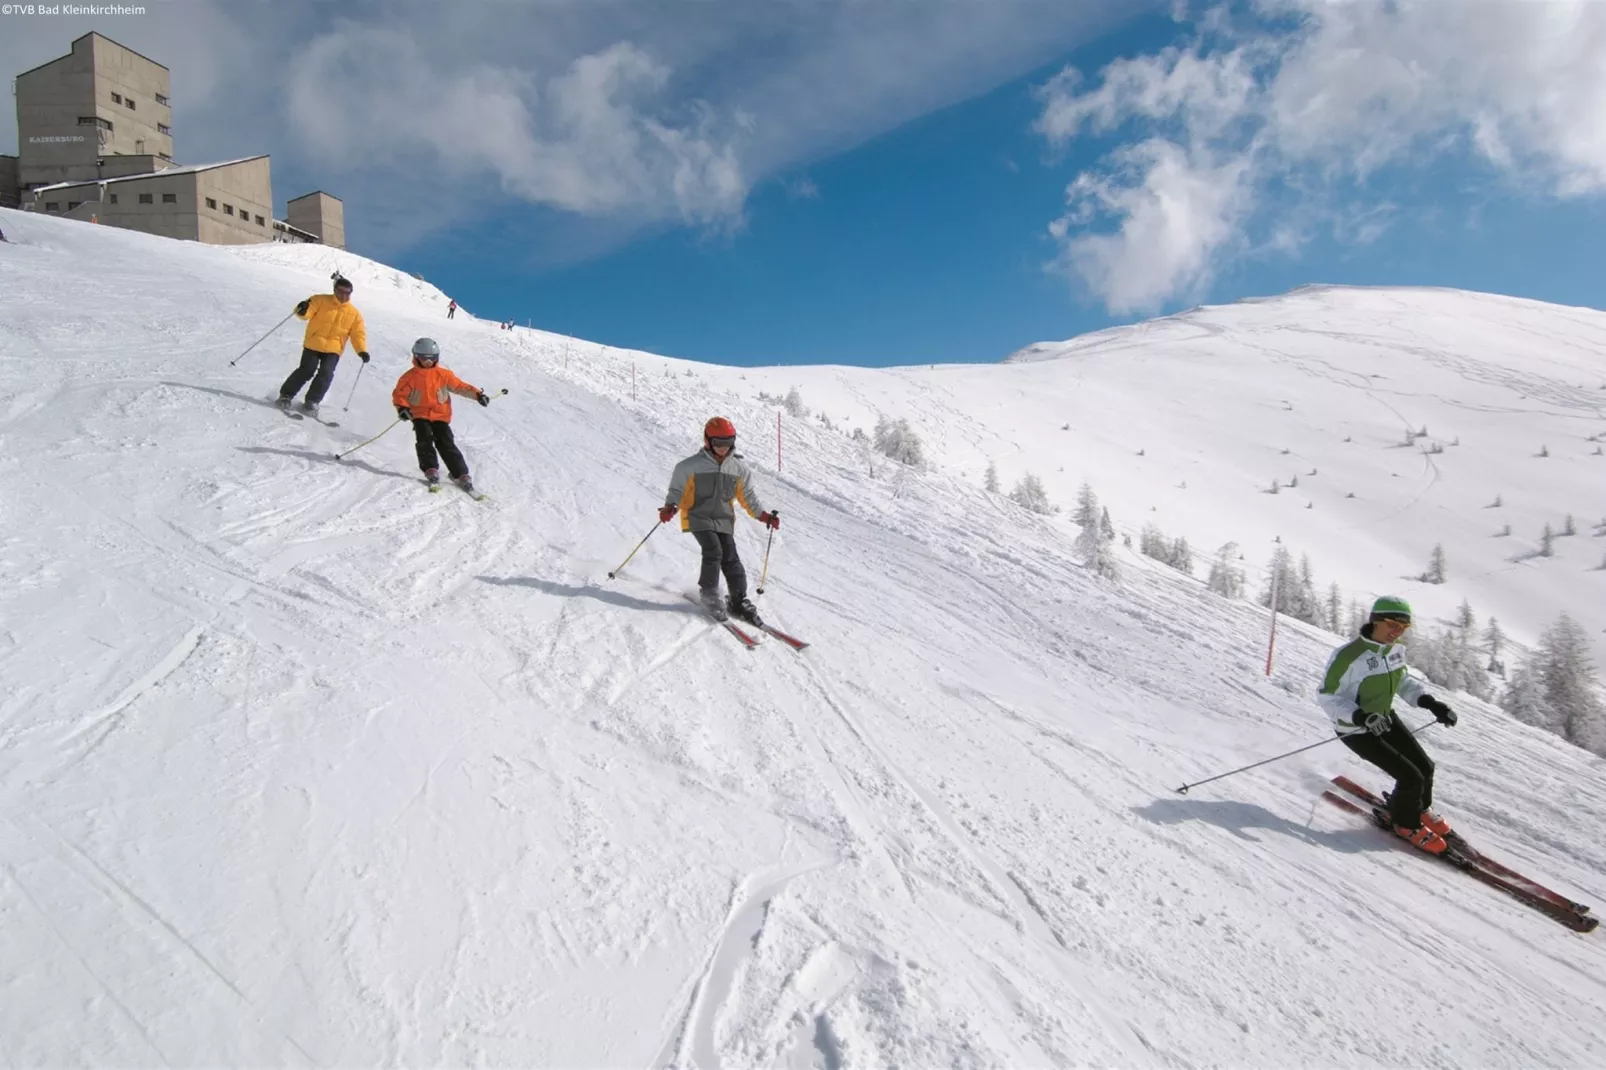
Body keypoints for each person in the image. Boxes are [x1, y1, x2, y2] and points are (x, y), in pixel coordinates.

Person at [1316, 595, 1459, 853]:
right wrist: (1359, 716)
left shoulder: (1393, 651)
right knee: (1410, 777)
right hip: (1356, 728)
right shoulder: (1349, 656)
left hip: (1384, 717)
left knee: (1425, 767)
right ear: (1376, 621)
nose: (1397, 632)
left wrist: (1430, 702)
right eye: (1393, 624)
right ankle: (1405, 824)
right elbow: (1328, 696)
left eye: (1404, 628)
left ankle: (1418, 809)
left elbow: (1402, 681)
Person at [659, 417, 780, 625]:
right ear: (707, 441)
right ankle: (709, 595)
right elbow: (677, 490)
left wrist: (763, 515)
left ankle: (737, 600)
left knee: (730, 557)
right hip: (697, 515)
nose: (723, 448)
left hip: (723, 519)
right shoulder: (689, 467)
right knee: (713, 550)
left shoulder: (739, 469)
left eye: (728, 443)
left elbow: (748, 497)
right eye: (718, 443)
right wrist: (671, 506)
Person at [392, 337, 491, 491]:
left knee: (445, 441)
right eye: (424, 358)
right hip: (419, 415)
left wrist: (478, 395)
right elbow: (399, 395)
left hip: (440, 415)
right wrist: (402, 408)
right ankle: (430, 468)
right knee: (424, 437)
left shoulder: (444, 375)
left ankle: (460, 474)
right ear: (416, 356)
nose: (428, 362)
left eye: (432, 358)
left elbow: (460, 387)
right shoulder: (409, 377)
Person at [277, 276, 369, 417]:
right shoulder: (320, 300)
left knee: (326, 374)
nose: (344, 296)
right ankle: (286, 395)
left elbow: (358, 334)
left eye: (347, 293)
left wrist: (361, 350)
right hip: (314, 343)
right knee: (306, 370)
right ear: (335, 290)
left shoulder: (354, 314)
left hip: (334, 348)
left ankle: (312, 401)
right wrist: (302, 310)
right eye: (341, 292)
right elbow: (306, 313)